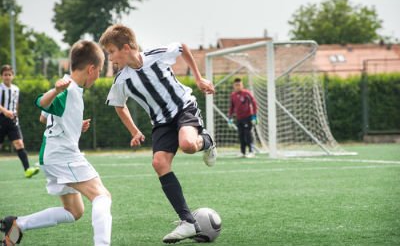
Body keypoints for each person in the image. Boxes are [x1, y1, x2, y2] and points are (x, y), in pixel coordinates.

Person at [99, 24, 217, 244]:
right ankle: (188, 222)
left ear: (125, 48)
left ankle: (207, 141)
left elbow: (182, 47)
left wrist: (200, 79)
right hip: (161, 123)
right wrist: (134, 130)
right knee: (159, 163)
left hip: (183, 108)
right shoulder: (121, 80)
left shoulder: (157, 56)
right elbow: (118, 105)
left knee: (189, 145)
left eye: (111, 52)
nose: (110, 58)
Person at [0, 41, 112, 246]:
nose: (99, 76)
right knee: (102, 196)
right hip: (63, 155)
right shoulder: (67, 89)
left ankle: (17, 225)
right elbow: (41, 102)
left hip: (52, 155)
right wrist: (55, 91)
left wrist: (76, 125)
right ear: (91, 68)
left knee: (74, 212)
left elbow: (45, 118)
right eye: (100, 70)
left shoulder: (69, 86)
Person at [0, 65, 39, 178]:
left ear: (13, 76)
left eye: (9, 74)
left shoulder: (16, 89)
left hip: (12, 121)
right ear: (1, 76)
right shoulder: (0, 88)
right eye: (5, 74)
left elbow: (16, 105)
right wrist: (5, 111)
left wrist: (15, 114)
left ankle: (27, 170)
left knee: (19, 143)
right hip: (1, 120)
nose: (7, 77)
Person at [228, 78, 258, 158]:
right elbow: (231, 107)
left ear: (242, 85)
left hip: (248, 117)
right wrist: (230, 118)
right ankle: (242, 152)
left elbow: (254, 104)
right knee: (241, 135)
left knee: (247, 134)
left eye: (239, 85)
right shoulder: (233, 95)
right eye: (236, 85)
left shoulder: (247, 93)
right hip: (239, 118)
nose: (238, 87)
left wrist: (254, 116)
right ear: (234, 86)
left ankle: (252, 151)